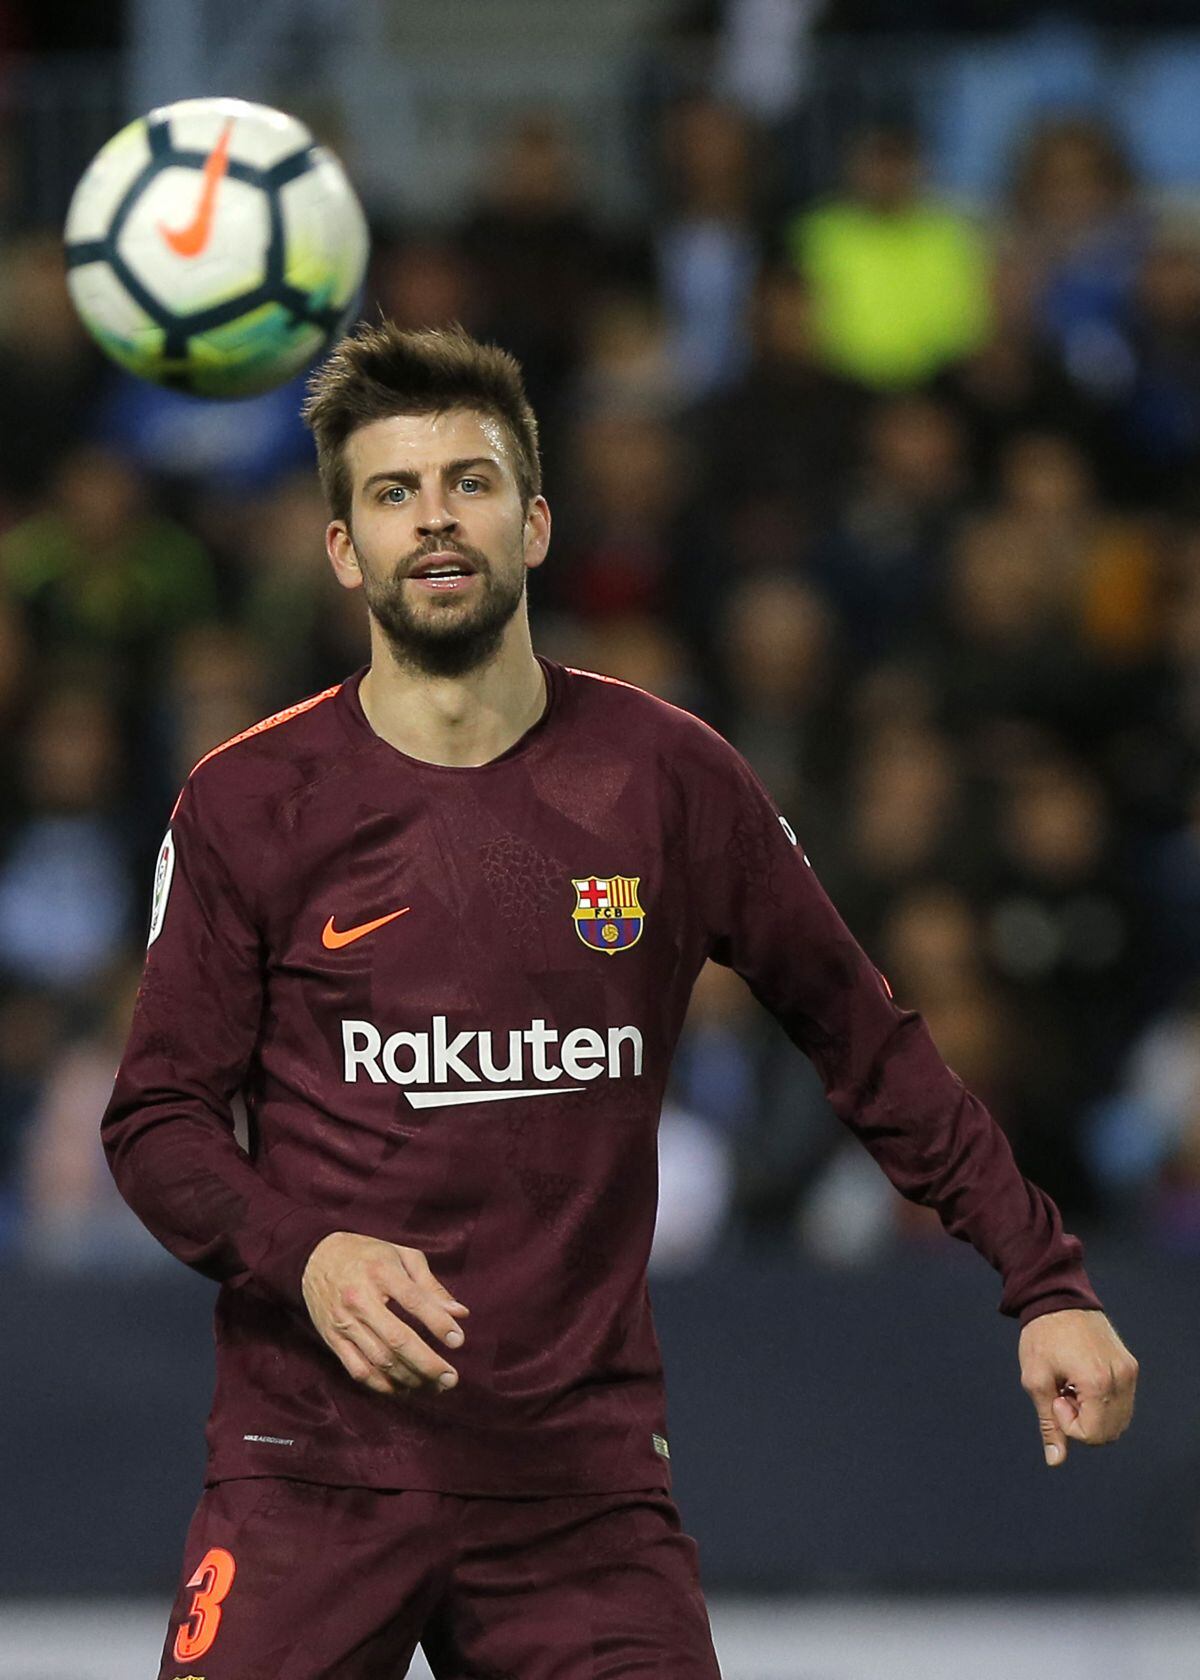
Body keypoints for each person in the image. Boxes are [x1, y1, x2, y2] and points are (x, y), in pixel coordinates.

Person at [102, 322, 1138, 1680]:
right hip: (313, 1477)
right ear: (344, 549)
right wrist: (310, 1253)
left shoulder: (670, 780)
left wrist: (1043, 1280)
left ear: (535, 523)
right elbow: (156, 1124)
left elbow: (866, 1040)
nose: (436, 520)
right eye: (393, 493)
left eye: (470, 483)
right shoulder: (250, 800)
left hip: (578, 1492)